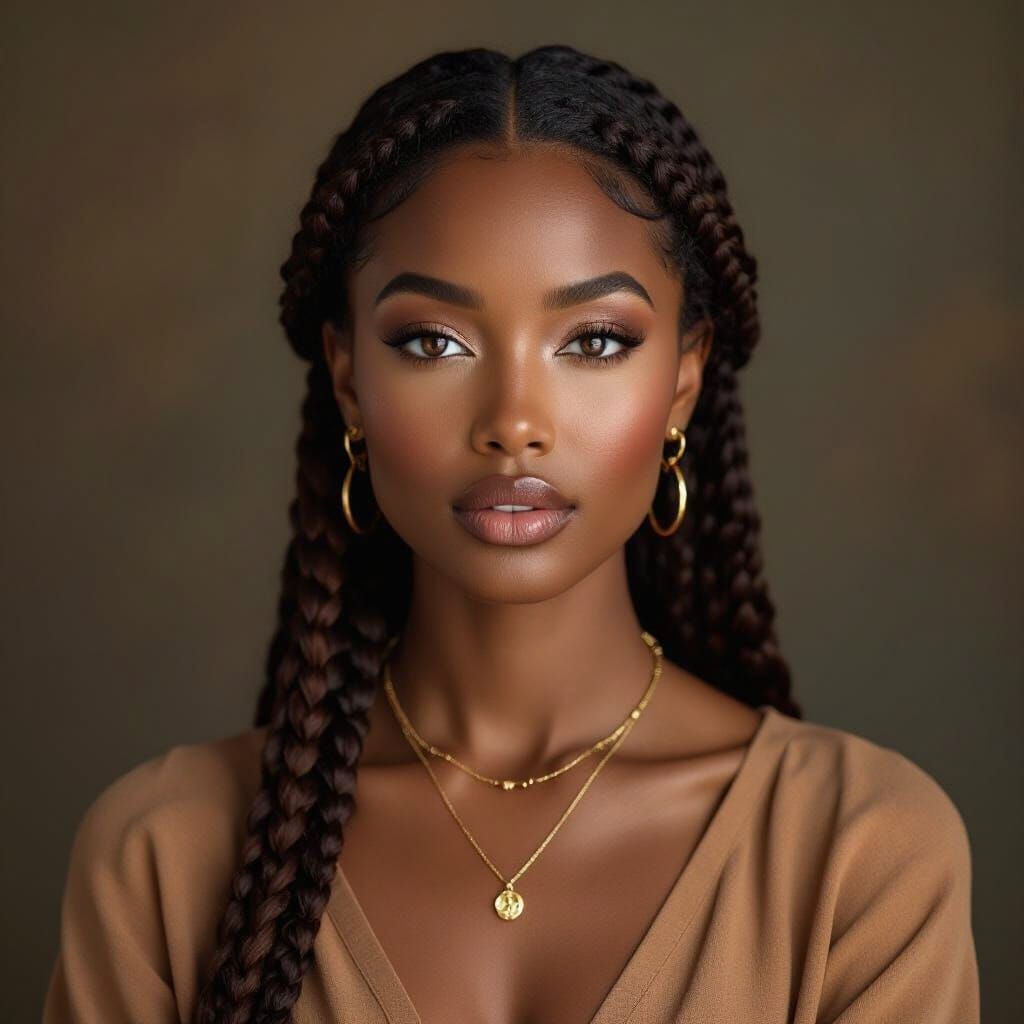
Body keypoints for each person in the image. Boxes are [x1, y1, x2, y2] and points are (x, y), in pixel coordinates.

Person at [42, 44, 980, 1024]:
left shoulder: (861, 855)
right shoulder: (166, 854)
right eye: (433, 341)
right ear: (350, 378)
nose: (513, 419)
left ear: (684, 379)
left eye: (595, 340)